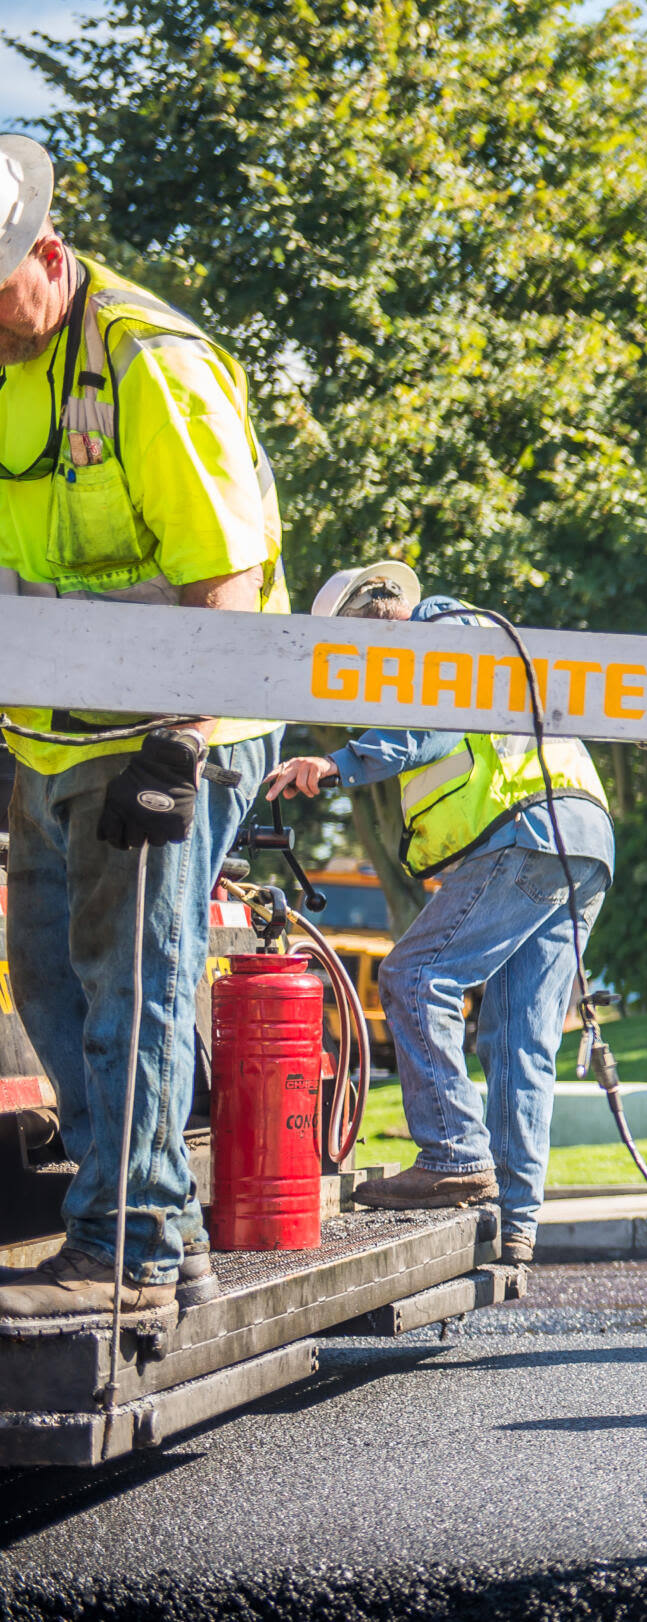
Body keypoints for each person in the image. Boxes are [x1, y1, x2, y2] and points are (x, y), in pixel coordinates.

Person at [0, 137, 288, 1328]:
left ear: (48, 257)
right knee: (47, 978)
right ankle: (156, 1208)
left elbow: (226, 578)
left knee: (136, 977)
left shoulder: (147, 363)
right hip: (47, 732)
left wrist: (181, 744)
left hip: (172, 724)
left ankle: (131, 1241)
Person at [262, 562, 614, 1266]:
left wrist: (334, 765)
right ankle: (514, 1225)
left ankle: (454, 1154)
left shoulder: (439, 634)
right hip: (576, 842)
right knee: (518, 1042)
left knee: (415, 974)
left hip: (529, 835)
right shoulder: (477, 634)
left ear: (376, 613)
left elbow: (432, 725)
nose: (362, 672)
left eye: (354, 648)